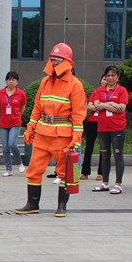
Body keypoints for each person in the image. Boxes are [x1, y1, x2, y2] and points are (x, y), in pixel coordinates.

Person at [15, 43, 86, 217]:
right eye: (52, 59)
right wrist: (30, 127)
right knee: (34, 170)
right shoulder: (45, 82)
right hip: (42, 133)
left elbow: (78, 114)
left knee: (64, 172)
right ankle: (32, 204)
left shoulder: (75, 85)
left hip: (62, 135)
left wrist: (76, 137)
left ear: (67, 62)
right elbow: (37, 108)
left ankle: (61, 206)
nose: (54, 62)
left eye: (58, 59)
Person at [90, 66, 128, 194]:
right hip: (102, 127)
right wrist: (111, 104)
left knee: (118, 155)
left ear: (118, 77)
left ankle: (118, 184)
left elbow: (121, 108)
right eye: (108, 75)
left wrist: (104, 105)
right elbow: (96, 106)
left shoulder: (122, 90)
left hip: (117, 127)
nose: (110, 78)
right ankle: (105, 183)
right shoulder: (99, 90)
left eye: (113, 75)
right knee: (105, 155)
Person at [0, 71, 26, 176]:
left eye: (13, 80)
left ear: (17, 82)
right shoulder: (0, 93)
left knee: (12, 143)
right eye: (9, 79)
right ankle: (8, 169)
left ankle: (20, 163)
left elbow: (22, 107)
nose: (11, 82)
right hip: (3, 122)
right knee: (5, 147)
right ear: (6, 81)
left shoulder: (21, 93)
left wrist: (16, 115)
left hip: (15, 122)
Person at [81, 75, 106, 181]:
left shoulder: (111, 93)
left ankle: (101, 172)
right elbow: (89, 106)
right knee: (89, 146)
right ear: (100, 80)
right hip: (93, 121)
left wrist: (101, 106)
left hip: (104, 121)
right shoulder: (95, 92)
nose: (105, 81)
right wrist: (101, 107)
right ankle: (85, 172)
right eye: (104, 79)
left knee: (103, 147)